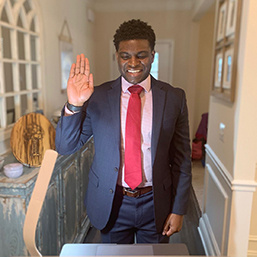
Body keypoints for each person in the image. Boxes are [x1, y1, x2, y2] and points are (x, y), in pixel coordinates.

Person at [55, 19, 192, 244]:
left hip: (156, 202)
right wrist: (74, 105)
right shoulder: (97, 97)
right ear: (117, 56)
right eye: (125, 55)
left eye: (142, 54)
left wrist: (179, 210)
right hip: (111, 203)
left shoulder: (174, 98)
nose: (134, 62)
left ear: (153, 55)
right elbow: (66, 146)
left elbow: (183, 160)